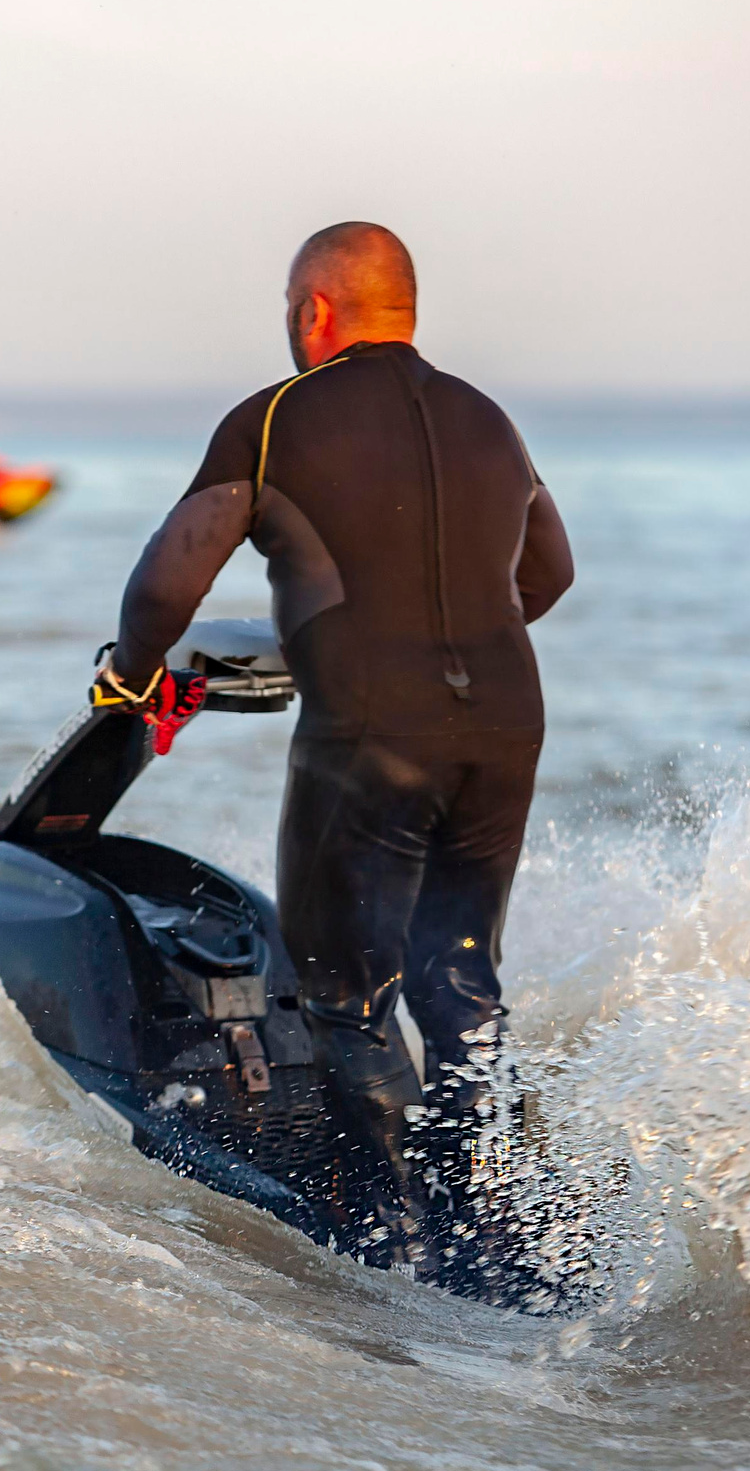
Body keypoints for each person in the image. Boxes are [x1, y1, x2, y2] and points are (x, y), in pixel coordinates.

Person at [94, 222, 574, 1272]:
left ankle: (396, 1240)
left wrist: (131, 672)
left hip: (369, 734)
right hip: (503, 723)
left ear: (315, 310)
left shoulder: (274, 419)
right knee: (459, 980)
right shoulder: (487, 417)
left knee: (345, 992)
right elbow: (548, 574)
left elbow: (171, 577)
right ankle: (487, 1216)